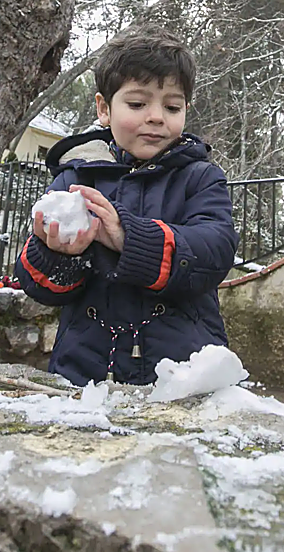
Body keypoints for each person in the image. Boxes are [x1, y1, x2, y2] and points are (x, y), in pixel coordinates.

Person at [15, 28, 239, 386]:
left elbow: (213, 253)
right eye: (137, 104)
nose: (156, 117)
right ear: (104, 108)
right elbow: (38, 284)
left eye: (172, 106)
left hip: (184, 377)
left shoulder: (200, 178)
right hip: (84, 376)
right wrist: (59, 254)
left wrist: (126, 237)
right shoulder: (76, 178)